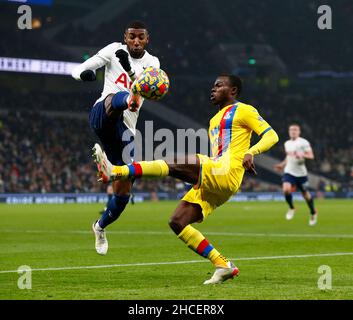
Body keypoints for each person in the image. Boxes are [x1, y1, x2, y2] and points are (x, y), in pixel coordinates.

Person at [93, 74, 279, 284]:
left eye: (219, 85)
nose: (213, 89)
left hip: (227, 170)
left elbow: (271, 135)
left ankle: (116, 172)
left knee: (171, 163)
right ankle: (223, 265)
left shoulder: (245, 110)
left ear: (233, 91)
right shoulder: (214, 120)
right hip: (219, 177)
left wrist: (251, 152)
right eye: (213, 85)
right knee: (178, 221)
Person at [71, 20, 160, 255]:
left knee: (123, 194)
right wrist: (85, 75)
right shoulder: (113, 50)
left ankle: (99, 227)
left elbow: (144, 86)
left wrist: (129, 70)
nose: (137, 41)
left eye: (141, 37)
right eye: (132, 36)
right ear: (125, 37)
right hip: (103, 113)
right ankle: (110, 167)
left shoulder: (152, 63)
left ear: (147, 39)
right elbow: (77, 70)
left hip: (125, 133)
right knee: (119, 98)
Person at [274, 124, 318, 226]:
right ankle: (292, 207)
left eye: (295, 130)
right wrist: (281, 165)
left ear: (299, 132)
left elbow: (311, 155)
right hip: (289, 171)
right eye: (291, 130)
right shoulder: (287, 143)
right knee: (286, 189)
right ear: (289, 132)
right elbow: (288, 157)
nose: (293, 131)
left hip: (301, 173)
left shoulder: (304, 142)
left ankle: (313, 212)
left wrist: (302, 155)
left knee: (305, 195)